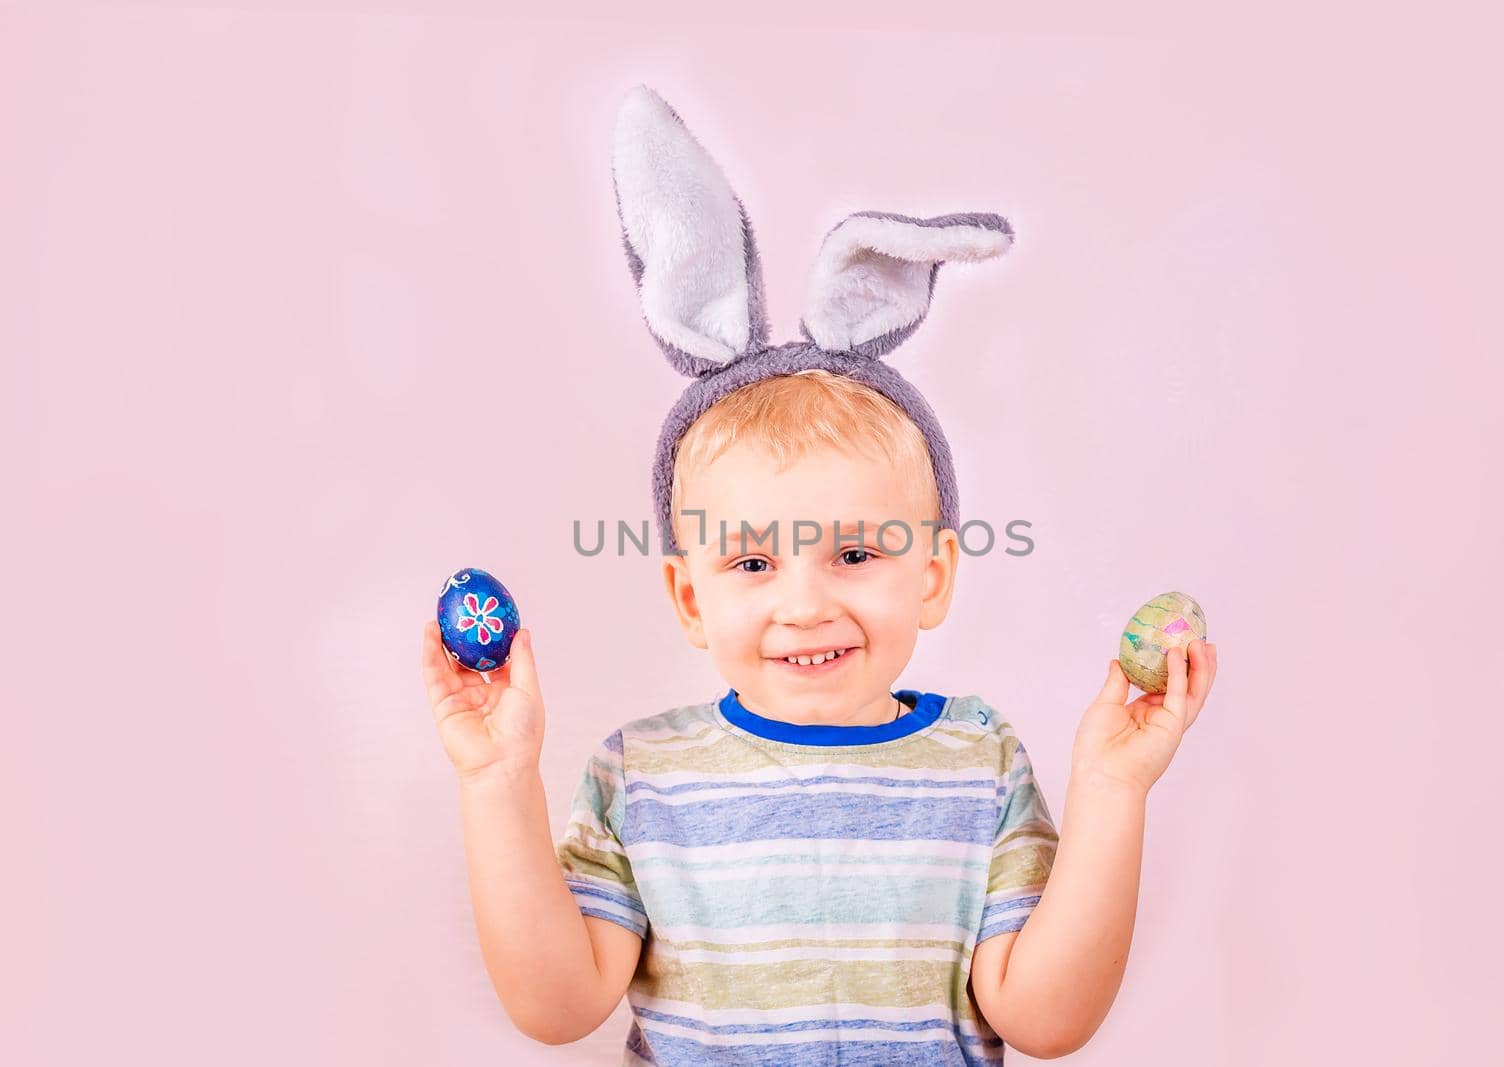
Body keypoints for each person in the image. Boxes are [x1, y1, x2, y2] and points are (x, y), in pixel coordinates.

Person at [420, 85, 1217, 1064]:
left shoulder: (980, 764)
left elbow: (1045, 1021)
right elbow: (557, 1007)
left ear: (931, 575)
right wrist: (497, 781)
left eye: (852, 553)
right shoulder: (643, 778)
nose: (804, 602)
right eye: (751, 559)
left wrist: (1111, 788)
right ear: (689, 598)